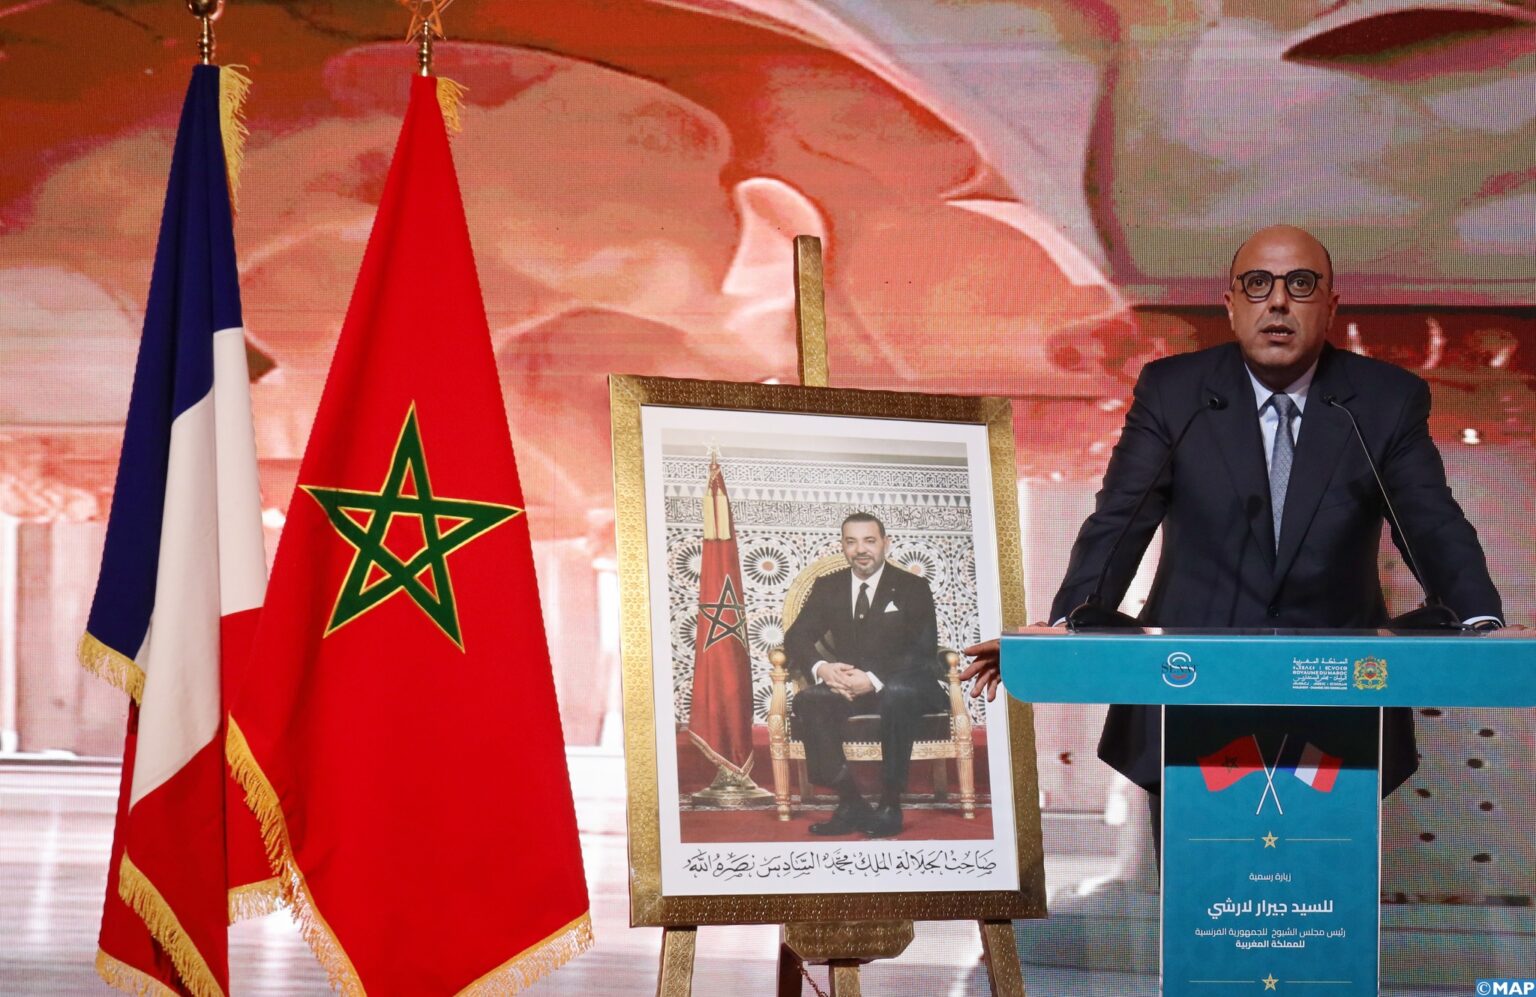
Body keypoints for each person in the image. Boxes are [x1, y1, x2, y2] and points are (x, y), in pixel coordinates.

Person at [963, 224, 1503, 832]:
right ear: (1231, 304)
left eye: (1301, 285)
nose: (1278, 302)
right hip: (1192, 699)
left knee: (1324, 880)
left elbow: (1430, 522)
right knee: (1204, 879)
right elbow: (1119, 520)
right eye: (1258, 284)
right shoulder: (1175, 392)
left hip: (1335, 705)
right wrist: (1067, 625)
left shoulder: (1384, 400)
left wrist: (1480, 619)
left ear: (1331, 305)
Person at [785, 512, 943, 838]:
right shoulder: (829, 586)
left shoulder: (913, 587)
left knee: (897, 694)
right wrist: (824, 669)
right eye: (851, 541)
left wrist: (872, 679)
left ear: (886, 543)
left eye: (869, 541)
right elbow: (797, 636)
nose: (861, 549)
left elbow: (923, 649)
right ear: (842, 546)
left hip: (906, 683)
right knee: (809, 700)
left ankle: (890, 804)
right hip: (849, 685)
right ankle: (850, 801)